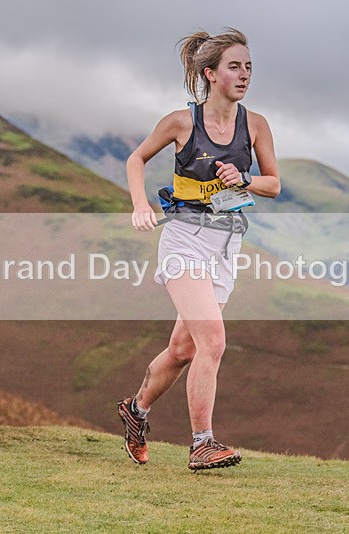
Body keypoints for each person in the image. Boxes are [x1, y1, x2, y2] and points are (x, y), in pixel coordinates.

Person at [118, 28, 280, 470]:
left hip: (228, 244)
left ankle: (136, 411)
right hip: (184, 239)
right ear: (210, 74)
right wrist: (139, 205)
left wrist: (243, 179)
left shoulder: (257, 125)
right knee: (213, 341)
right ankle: (202, 443)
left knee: (184, 350)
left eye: (248, 66)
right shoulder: (180, 123)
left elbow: (273, 184)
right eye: (234, 66)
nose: (244, 74)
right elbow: (136, 160)